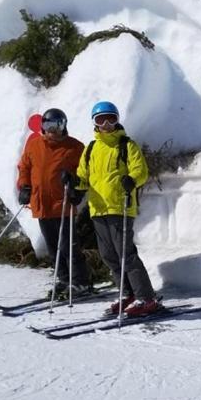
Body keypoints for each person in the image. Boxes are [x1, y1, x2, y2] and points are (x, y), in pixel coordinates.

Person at [72, 100, 159, 317]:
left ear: (117, 120)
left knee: (126, 255)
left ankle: (146, 298)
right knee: (108, 255)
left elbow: (141, 171)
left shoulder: (127, 145)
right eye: (101, 119)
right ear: (95, 123)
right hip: (98, 208)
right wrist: (73, 184)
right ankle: (127, 293)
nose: (107, 124)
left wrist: (132, 179)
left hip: (121, 207)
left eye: (111, 118)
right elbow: (84, 176)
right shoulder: (91, 148)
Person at [17, 108, 88, 297]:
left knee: (69, 246)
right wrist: (24, 187)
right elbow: (24, 167)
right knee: (53, 247)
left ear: (64, 126)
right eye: (48, 125)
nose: (52, 130)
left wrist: (77, 188)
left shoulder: (75, 147)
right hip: (42, 204)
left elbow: (85, 173)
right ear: (42, 126)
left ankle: (80, 282)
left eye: (57, 125)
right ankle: (64, 279)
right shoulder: (34, 145)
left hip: (63, 204)